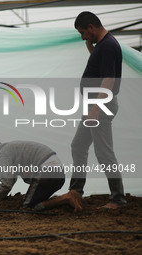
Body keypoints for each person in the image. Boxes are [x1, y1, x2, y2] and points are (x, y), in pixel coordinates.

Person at [69, 11, 126, 209]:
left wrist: (96, 108)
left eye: (83, 33)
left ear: (91, 27)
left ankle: (118, 198)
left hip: (100, 106)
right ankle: (75, 192)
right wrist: (90, 49)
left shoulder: (109, 46)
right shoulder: (102, 46)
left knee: (104, 152)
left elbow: (109, 79)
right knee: (78, 145)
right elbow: (101, 69)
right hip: (94, 106)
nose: (83, 37)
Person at [0, 136, 82, 212]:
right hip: (58, 173)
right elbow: (11, 180)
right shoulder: (8, 149)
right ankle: (72, 195)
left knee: (28, 207)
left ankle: (66, 198)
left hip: (47, 172)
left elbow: (7, 184)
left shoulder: (2, 155)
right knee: (36, 200)